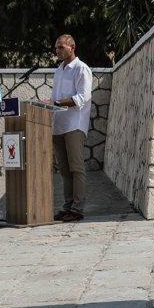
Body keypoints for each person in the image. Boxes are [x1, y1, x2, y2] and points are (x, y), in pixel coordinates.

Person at [50, 34, 92, 222]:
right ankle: (67, 207)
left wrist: (56, 102)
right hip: (58, 125)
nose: (57, 50)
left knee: (76, 168)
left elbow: (82, 98)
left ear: (72, 47)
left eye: (61, 47)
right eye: (56, 47)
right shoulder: (59, 70)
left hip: (74, 124)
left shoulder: (81, 69)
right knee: (64, 170)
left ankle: (77, 209)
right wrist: (51, 104)